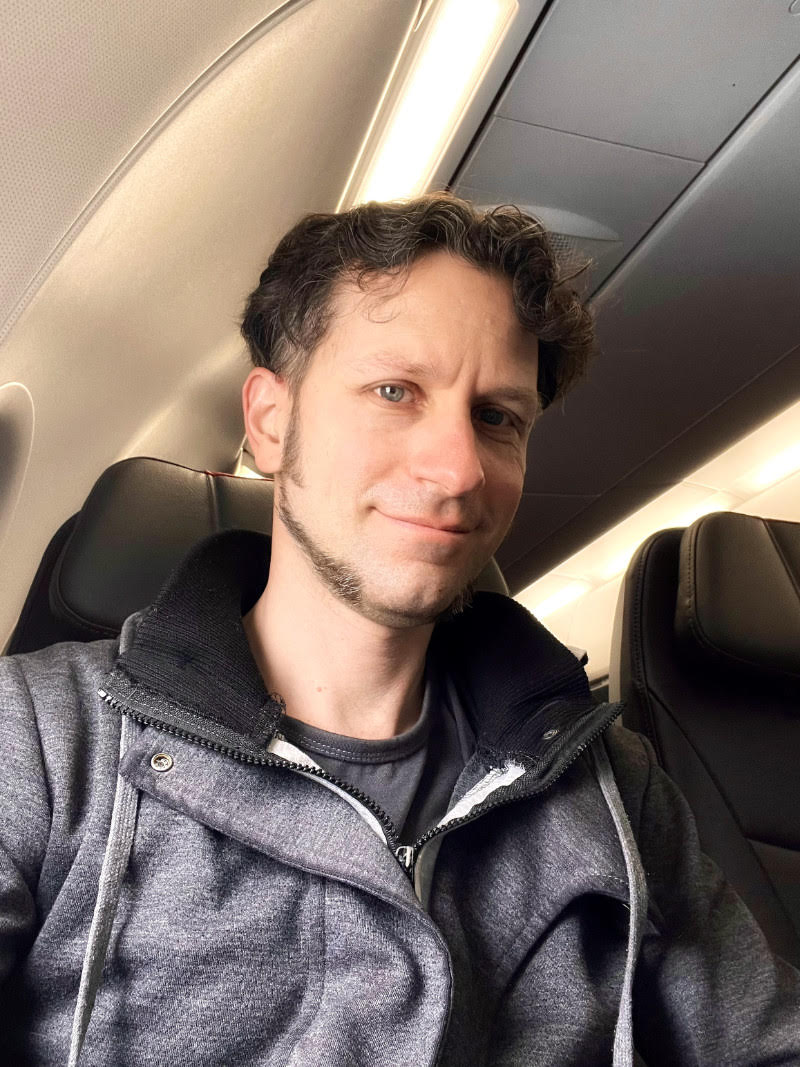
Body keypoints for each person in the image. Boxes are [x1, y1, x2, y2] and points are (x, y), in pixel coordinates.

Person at [0, 193, 797, 1067]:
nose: (457, 469)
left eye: (498, 417)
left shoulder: (612, 788)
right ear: (270, 420)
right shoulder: (38, 738)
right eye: (394, 390)